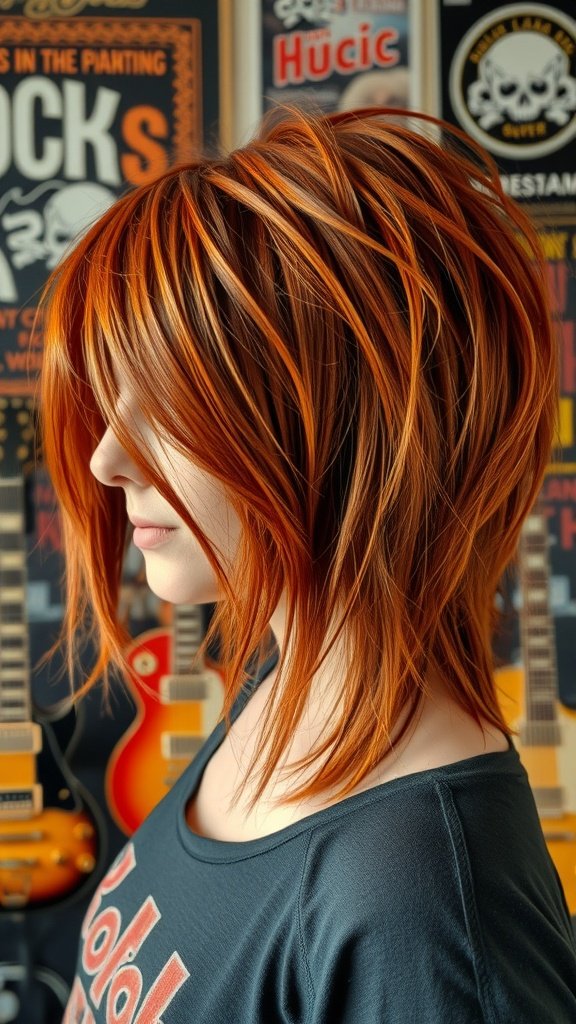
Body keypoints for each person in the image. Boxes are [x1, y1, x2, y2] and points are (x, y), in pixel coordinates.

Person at [38, 106, 576, 1023]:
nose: (105, 459)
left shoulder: (419, 904)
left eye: (167, 403)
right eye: (114, 397)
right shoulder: (285, 698)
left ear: (346, 416)